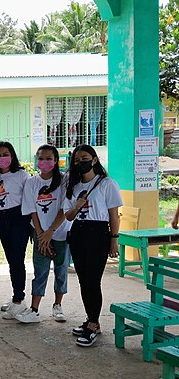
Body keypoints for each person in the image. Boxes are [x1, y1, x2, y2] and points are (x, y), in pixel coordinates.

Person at [64, 144, 122, 347]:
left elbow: (113, 215)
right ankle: (90, 319)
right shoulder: (73, 186)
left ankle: (94, 324)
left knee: (92, 281)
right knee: (83, 280)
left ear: (95, 160)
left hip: (98, 234)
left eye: (85, 158)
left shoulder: (107, 184)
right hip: (78, 233)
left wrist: (114, 239)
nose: (81, 162)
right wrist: (76, 206)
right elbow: (68, 215)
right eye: (77, 159)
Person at [17, 145, 71, 324]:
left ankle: (57, 305)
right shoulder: (32, 183)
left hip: (61, 233)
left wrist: (51, 232)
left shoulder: (64, 180)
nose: (44, 162)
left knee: (61, 270)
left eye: (49, 158)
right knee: (40, 271)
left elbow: (65, 208)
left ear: (56, 161)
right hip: (41, 234)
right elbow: (32, 210)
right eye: (41, 158)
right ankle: (34, 309)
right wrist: (41, 235)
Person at [0, 141, 31, 320]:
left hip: (19, 218)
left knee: (17, 260)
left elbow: (30, 199)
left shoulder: (21, 175)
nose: (2, 158)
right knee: (10, 260)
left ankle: (19, 301)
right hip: (2, 220)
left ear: (12, 156)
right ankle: (16, 296)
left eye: (5, 154)